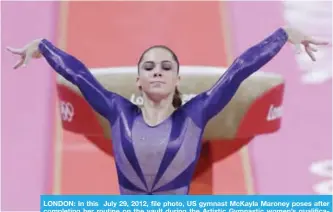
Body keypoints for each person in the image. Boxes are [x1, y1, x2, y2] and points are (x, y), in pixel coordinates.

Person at [7, 27, 328, 195]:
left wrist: (284, 35)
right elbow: (79, 75)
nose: (157, 71)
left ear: (177, 79)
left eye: (165, 67)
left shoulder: (196, 113)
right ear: (138, 79)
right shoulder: (118, 111)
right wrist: (43, 46)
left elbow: (239, 70)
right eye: (149, 67)